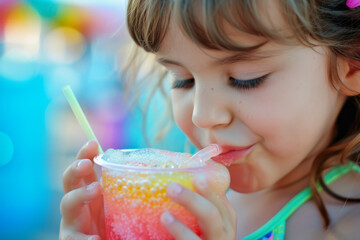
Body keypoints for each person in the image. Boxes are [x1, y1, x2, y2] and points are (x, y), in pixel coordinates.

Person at [59, 0, 360, 239]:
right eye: (183, 80)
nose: (201, 116)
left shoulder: (348, 225)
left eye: (245, 79)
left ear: (351, 63)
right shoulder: (179, 204)